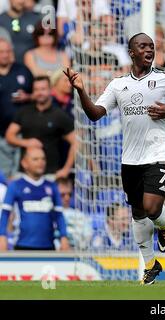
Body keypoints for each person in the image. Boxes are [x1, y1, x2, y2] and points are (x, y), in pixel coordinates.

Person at [64, 32, 165, 285]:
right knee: (138, 213)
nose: (149, 50)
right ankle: (150, 265)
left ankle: (164, 222)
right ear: (131, 52)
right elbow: (95, 114)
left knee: (151, 207)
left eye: (152, 46)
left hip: (158, 153)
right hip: (130, 159)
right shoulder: (118, 85)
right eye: (143, 46)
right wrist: (81, 90)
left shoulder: (164, 80)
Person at [5, 76, 76, 179]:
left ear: (50, 90)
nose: (39, 93)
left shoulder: (59, 114)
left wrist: (66, 169)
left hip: (50, 174)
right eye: (36, 89)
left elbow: (76, 142)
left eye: (43, 89)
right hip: (25, 174)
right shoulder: (24, 112)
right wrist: (26, 142)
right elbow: (9, 136)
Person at [0, 147, 70, 251]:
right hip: (22, 245)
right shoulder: (15, 186)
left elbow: (59, 215)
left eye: (43, 159)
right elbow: (5, 214)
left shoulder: (52, 186)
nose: (40, 162)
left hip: (48, 246)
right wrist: (2, 236)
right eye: (35, 159)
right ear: (24, 163)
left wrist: (64, 237)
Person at [0, 37, 33, 178]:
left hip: (22, 132)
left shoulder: (23, 70)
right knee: (3, 176)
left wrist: (27, 97)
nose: (5, 54)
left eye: (8, 51)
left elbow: (38, 95)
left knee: (20, 175)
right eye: (1, 52)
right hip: (0, 133)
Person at [56, 177, 92, 250]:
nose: (67, 198)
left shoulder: (80, 215)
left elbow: (88, 236)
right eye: (62, 195)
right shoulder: (49, 215)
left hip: (76, 254)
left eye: (69, 194)